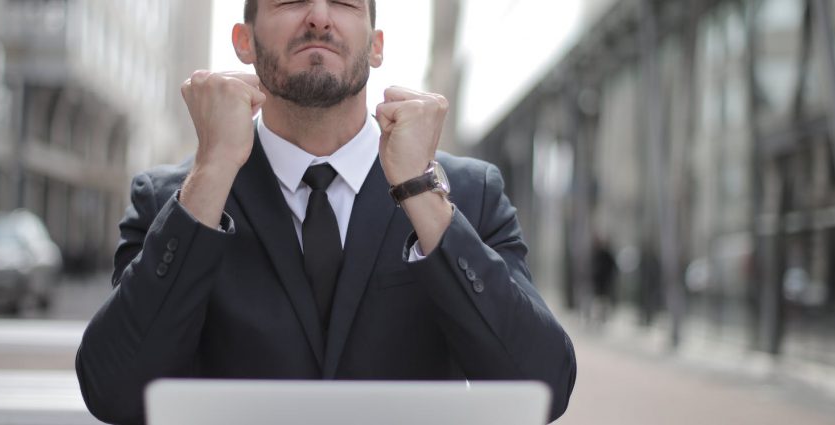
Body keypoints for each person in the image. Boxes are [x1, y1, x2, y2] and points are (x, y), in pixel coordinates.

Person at [75, 1, 576, 423]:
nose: (318, 17)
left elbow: (543, 389)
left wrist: (420, 191)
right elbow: (114, 392)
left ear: (376, 45)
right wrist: (212, 173)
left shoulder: (468, 192)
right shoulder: (174, 200)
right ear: (243, 41)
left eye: (344, 1)